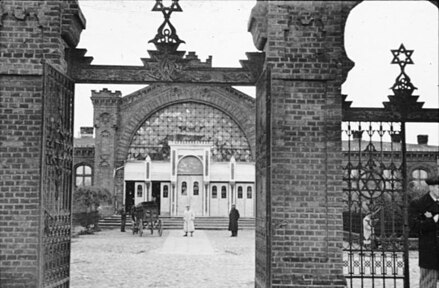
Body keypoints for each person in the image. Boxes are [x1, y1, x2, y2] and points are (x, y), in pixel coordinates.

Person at [409, 175, 439, 288]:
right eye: (438, 187)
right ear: (431, 188)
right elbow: (414, 226)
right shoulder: (418, 204)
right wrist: (433, 220)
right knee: (428, 283)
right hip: (430, 251)